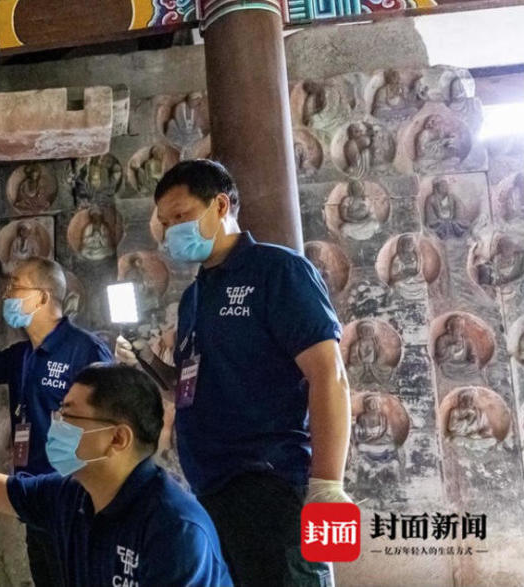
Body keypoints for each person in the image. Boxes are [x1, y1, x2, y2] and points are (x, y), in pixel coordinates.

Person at [116, 159, 351, 586]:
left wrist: (326, 485)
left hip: (271, 483)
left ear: (220, 205)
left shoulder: (277, 270)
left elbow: (328, 373)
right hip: (210, 489)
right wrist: (146, 364)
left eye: (181, 216)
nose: (170, 232)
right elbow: (188, 389)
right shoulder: (193, 297)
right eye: (165, 223)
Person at [0, 364, 232, 587]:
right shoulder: (70, 495)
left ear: (117, 438)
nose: (57, 425)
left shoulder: (175, 529)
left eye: (70, 415)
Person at [0, 257, 112, 586]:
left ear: (42, 297)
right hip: (32, 493)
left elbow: (112, 422)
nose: (7, 293)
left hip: (74, 499)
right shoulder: (21, 355)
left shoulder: (86, 350)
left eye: (15, 286)